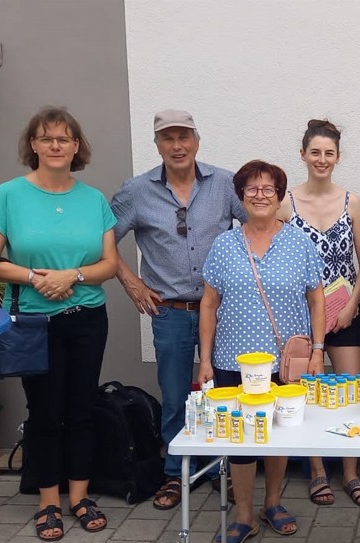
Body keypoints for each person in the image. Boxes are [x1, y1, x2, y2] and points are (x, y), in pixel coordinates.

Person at [0, 106, 119, 541]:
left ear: (77, 147)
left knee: (81, 408)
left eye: (64, 139)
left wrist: (71, 275)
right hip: (35, 322)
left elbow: (109, 264)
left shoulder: (93, 199)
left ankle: (80, 495)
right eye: (47, 138)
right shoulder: (9, 195)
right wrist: (36, 277)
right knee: (45, 413)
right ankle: (48, 500)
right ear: (33, 145)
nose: (56, 146)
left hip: (88, 317)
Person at [110, 109, 246, 511]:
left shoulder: (224, 184)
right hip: (168, 311)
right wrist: (130, 280)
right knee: (174, 397)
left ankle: (228, 469)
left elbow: (259, 222)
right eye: (168, 138)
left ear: (197, 141)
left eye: (184, 136)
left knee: (226, 392)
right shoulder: (135, 191)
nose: (177, 145)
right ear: (157, 145)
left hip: (222, 311)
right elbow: (102, 241)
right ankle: (175, 473)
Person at [198, 160, 326, 543]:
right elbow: (208, 304)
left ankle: (273, 503)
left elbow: (317, 299)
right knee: (241, 440)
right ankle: (243, 516)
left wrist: (319, 350)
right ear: (241, 196)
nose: (260, 196)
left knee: (279, 432)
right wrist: (204, 359)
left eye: (268, 189)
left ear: (280, 195)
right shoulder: (225, 244)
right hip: (232, 360)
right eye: (251, 189)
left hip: (283, 362)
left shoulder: (300, 242)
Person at [277, 119, 360, 507]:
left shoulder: (352, 201)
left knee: (353, 390)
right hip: (302, 317)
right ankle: (317, 470)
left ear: (337, 157)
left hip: (345, 315)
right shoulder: (287, 203)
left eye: (328, 153)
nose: (321, 159)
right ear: (303, 155)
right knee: (307, 394)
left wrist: (352, 306)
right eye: (314, 152)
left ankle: (350, 471)